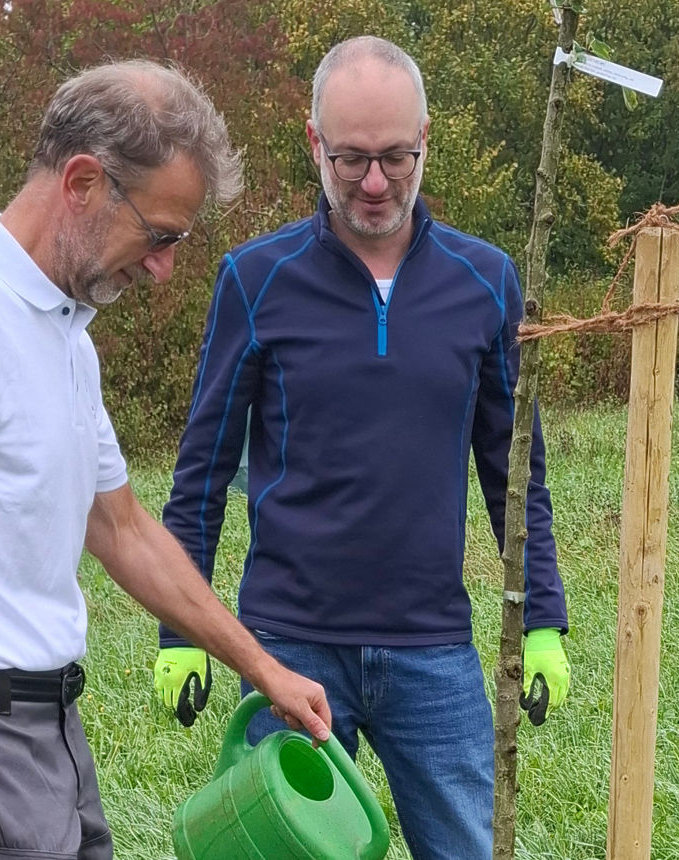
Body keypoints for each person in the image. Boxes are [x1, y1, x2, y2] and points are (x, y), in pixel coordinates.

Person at [0, 60, 331, 860]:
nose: (163, 268)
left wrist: (263, 669)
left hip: (47, 721)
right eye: (160, 236)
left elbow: (121, 528)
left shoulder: (63, 334)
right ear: (83, 182)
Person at [153, 37, 570, 859]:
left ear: (426, 141)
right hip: (289, 650)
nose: (375, 183)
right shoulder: (255, 279)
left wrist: (543, 619)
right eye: (350, 160)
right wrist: (179, 631)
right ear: (315, 143)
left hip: (434, 652)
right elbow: (200, 473)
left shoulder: (486, 281)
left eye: (395, 157)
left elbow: (514, 470)